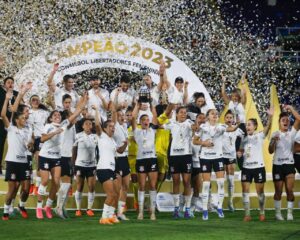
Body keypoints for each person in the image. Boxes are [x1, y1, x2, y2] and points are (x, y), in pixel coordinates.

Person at [36, 95, 87, 219]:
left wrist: (84, 101)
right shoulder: (49, 126)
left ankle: (49, 207)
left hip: (58, 157)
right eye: (55, 116)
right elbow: (42, 139)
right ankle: (40, 207)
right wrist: (54, 132)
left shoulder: (64, 125)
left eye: (58, 116)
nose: (57, 117)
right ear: (51, 118)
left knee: (57, 182)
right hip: (47, 156)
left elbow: (76, 113)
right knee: (45, 181)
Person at [193, 109, 239, 220]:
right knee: (206, 184)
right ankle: (205, 210)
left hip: (218, 157)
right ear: (208, 116)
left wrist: (238, 123)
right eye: (212, 113)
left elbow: (232, 129)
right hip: (205, 158)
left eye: (216, 114)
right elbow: (195, 141)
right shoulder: (202, 127)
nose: (215, 115)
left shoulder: (221, 127)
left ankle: (219, 208)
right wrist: (204, 143)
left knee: (221, 183)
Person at [1, 90, 33, 220]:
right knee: (12, 189)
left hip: (24, 162)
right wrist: (7, 99)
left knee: (26, 189)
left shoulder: (28, 129)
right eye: (23, 118)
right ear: (17, 119)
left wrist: (31, 144)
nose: (25, 119)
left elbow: (30, 143)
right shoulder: (11, 128)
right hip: (13, 162)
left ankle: (21, 205)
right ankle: (6, 210)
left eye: (26, 118)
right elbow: (3, 115)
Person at [238, 107, 274, 222]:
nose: (247, 126)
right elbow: (241, 150)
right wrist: (239, 153)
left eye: (249, 125)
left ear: (255, 126)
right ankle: (247, 214)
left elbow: (267, 128)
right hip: (246, 168)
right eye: (247, 125)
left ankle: (262, 213)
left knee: (260, 192)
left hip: (258, 167)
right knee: (245, 192)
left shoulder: (259, 136)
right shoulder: (243, 139)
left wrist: (270, 117)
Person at [94, 108, 128, 225]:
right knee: (112, 194)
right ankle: (103, 218)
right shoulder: (101, 135)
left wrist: (125, 145)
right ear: (104, 128)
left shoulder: (112, 140)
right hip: (103, 169)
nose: (113, 128)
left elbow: (119, 151)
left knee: (116, 194)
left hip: (112, 169)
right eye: (110, 127)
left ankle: (111, 216)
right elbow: (97, 123)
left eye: (114, 127)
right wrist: (96, 111)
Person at [162, 104, 195, 219]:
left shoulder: (189, 123)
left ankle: (187, 209)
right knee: (176, 181)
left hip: (186, 155)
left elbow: (195, 128)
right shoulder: (172, 124)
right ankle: (176, 209)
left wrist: (196, 124)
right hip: (174, 156)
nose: (183, 114)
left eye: (185, 113)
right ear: (177, 114)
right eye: (181, 112)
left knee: (186, 182)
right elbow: (160, 125)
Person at [268, 106, 300, 221]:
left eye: (287, 120)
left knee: (290, 190)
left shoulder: (292, 133)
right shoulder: (275, 134)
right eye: (283, 120)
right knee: (278, 191)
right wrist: (273, 141)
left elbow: (299, 119)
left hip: (289, 165)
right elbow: (270, 151)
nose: (286, 122)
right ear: (279, 122)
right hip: (277, 165)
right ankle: (278, 213)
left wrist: (291, 108)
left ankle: (289, 213)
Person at [132, 102, 158, 220]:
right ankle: (141, 212)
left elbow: (155, 117)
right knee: (141, 185)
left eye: (148, 119)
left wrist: (152, 105)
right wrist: (137, 106)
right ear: (140, 122)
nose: (146, 121)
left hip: (152, 159)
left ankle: (152, 212)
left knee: (152, 185)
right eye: (144, 120)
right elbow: (133, 118)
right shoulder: (136, 131)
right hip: (141, 160)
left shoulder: (153, 130)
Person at [73, 117, 97, 217]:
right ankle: (78, 209)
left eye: (90, 124)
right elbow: (74, 151)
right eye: (86, 124)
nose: (88, 125)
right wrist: (73, 165)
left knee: (91, 186)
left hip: (92, 165)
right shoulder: (77, 136)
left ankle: (89, 209)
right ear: (82, 126)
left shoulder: (96, 137)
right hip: (80, 165)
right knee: (80, 186)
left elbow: (99, 151)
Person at [111, 102, 131, 220]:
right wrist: (117, 108)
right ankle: (113, 212)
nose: (122, 117)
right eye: (120, 115)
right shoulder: (115, 126)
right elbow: (113, 111)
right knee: (117, 188)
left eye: (123, 115)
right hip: (116, 158)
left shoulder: (124, 127)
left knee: (125, 186)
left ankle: (120, 212)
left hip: (125, 158)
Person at [27, 94, 49, 195]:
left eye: (37, 100)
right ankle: (30, 185)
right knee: (28, 164)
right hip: (28, 140)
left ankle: (36, 186)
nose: (35, 102)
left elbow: (49, 123)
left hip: (39, 139)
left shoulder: (44, 113)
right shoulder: (27, 112)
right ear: (30, 102)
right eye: (33, 100)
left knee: (38, 163)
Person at [222, 110, 244, 211]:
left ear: (233, 119)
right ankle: (220, 202)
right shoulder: (221, 128)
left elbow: (244, 137)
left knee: (230, 181)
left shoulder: (237, 130)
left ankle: (230, 202)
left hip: (231, 156)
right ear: (224, 118)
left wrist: (240, 149)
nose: (229, 119)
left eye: (231, 118)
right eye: (227, 117)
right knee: (221, 181)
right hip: (221, 156)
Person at [0, 77, 18, 174]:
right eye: (8, 82)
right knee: (1, 143)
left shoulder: (16, 94)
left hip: (13, 123)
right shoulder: (1, 93)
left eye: (12, 82)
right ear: (4, 84)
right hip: (1, 121)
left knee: (13, 144)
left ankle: (12, 165)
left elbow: (20, 106)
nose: (10, 84)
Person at [191, 113, 206, 213]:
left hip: (199, 163)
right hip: (189, 162)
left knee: (197, 187)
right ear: (196, 119)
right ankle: (184, 206)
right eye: (199, 118)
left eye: (203, 118)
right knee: (188, 186)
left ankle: (192, 207)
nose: (201, 120)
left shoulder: (206, 132)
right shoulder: (190, 129)